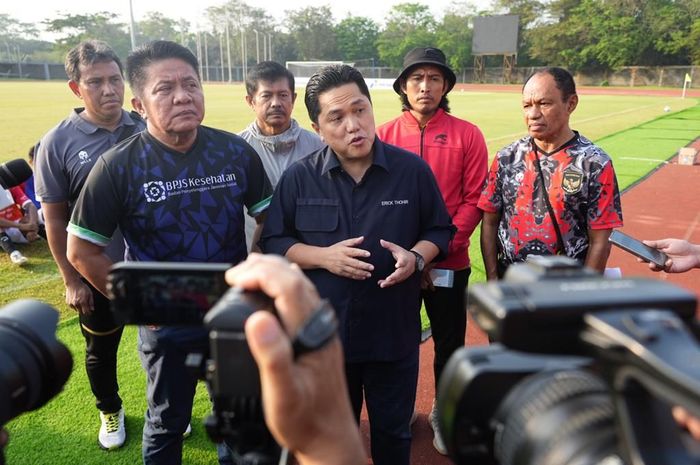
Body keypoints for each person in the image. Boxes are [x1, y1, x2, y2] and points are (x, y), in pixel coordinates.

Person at [65, 40, 272, 465]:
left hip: (230, 315)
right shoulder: (117, 166)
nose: (182, 96)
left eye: (191, 84)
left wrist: (253, 268)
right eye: (165, 88)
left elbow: (269, 218)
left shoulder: (233, 152)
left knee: (239, 418)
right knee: (166, 422)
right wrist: (141, 303)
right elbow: (81, 250)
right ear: (139, 103)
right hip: (166, 324)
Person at [260, 64, 454, 465]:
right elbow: (276, 241)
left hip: (393, 334)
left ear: (371, 108)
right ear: (317, 128)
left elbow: (439, 230)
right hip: (325, 340)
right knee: (333, 439)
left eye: (360, 110)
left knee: (393, 434)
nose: (354, 125)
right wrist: (323, 257)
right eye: (337, 117)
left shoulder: (411, 172)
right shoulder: (299, 179)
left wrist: (416, 257)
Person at [33, 40, 145, 450]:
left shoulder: (145, 125)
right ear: (75, 88)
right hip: (96, 271)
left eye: (115, 79)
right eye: (96, 82)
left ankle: (166, 405)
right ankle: (110, 410)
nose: (109, 89)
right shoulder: (57, 142)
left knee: (162, 339)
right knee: (102, 346)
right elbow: (55, 217)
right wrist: (71, 279)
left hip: (150, 263)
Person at [376, 46, 488, 454]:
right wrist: (407, 255)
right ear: (404, 86)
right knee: (396, 341)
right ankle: (401, 406)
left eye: (435, 78)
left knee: (449, 343)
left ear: (445, 86)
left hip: (450, 263)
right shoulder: (383, 135)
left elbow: (475, 199)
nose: (426, 87)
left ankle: (445, 409)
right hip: (396, 265)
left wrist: (435, 252)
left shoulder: (467, 134)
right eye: (417, 78)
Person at [478, 67, 623, 280]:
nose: (533, 114)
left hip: (564, 286)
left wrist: (584, 292)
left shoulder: (595, 163)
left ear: (570, 103)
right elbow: (489, 222)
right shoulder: (507, 158)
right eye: (527, 105)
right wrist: (493, 279)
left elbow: (600, 240)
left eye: (544, 104)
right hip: (512, 283)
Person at [239, 61, 324, 250]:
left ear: (293, 99)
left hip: (306, 257)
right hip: (252, 258)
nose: (276, 103)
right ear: (251, 101)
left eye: (283, 95)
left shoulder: (318, 146)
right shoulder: (236, 150)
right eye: (266, 96)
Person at [0, 184, 41, 265]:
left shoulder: (9, 184)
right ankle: (14, 254)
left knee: (40, 214)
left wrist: (33, 224)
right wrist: (22, 226)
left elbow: (30, 205)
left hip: (16, 225)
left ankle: (41, 235)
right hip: (6, 227)